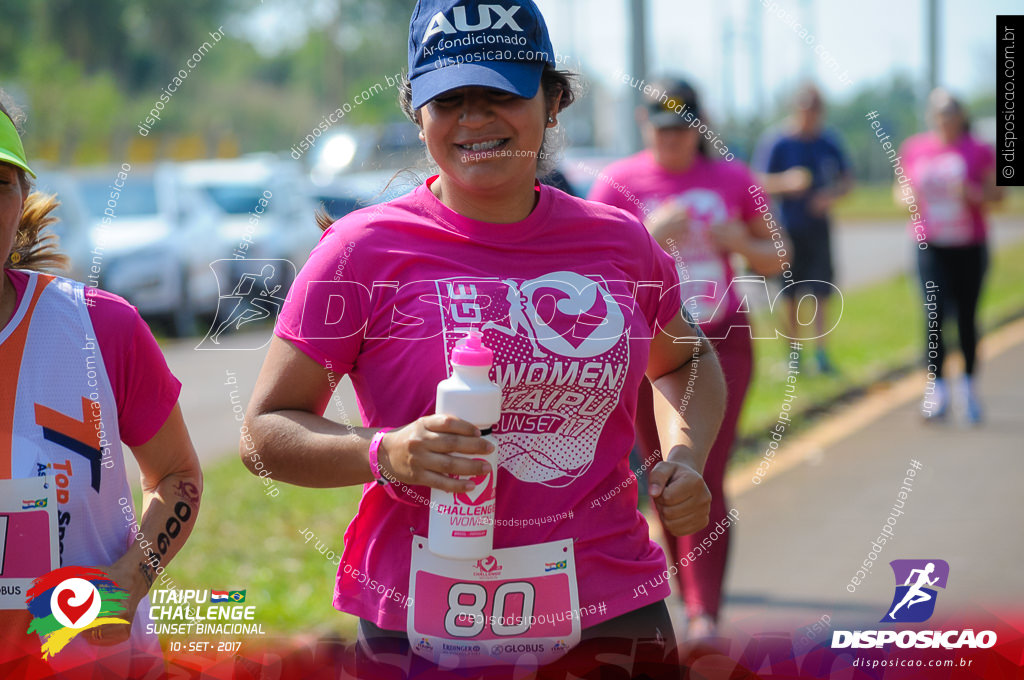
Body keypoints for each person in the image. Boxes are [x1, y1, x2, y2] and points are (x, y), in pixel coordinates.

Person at [241, 1, 727, 678]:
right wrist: (385, 454)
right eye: (449, 100)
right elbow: (265, 433)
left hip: (609, 605)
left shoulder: (618, 241)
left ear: (554, 102)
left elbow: (687, 361)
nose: (473, 119)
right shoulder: (361, 251)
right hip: (419, 621)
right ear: (417, 113)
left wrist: (684, 455)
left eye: (500, 93)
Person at [0, 93, 203, 677]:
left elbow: (178, 478)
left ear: (20, 200)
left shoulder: (101, 328)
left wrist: (127, 583)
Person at [588, 78, 788, 640]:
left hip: (721, 337)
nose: (671, 140)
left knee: (704, 468)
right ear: (642, 123)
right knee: (661, 473)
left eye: (682, 129)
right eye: (661, 128)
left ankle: (704, 614)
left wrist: (738, 242)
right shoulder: (619, 183)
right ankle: (686, 589)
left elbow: (780, 255)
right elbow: (591, 268)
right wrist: (652, 234)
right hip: (646, 347)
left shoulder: (733, 179)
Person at [897, 88, 1002, 423]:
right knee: (933, 315)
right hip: (931, 245)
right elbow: (900, 189)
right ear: (931, 116)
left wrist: (970, 193)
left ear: (961, 116)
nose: (945, 118)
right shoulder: (915, 149)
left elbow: (997, 195)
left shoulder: (979, 149)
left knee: (967, 318)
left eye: (950, 111)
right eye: (939, 112)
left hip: (969, 245)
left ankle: (968, 389)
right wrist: (906, 198)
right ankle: (937, 389)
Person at [754, 83, 852, 373]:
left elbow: (847, 180)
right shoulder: (778, 142)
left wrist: (829, 197)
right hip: (787, 230)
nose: (808, 116)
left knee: (821, 290)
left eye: (814, 110)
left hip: (818, 228)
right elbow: (756, 181)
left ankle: (821, 354)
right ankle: (793, 355)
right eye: (803, 109)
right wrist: (787, 182)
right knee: (790, 294)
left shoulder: (828, 141)